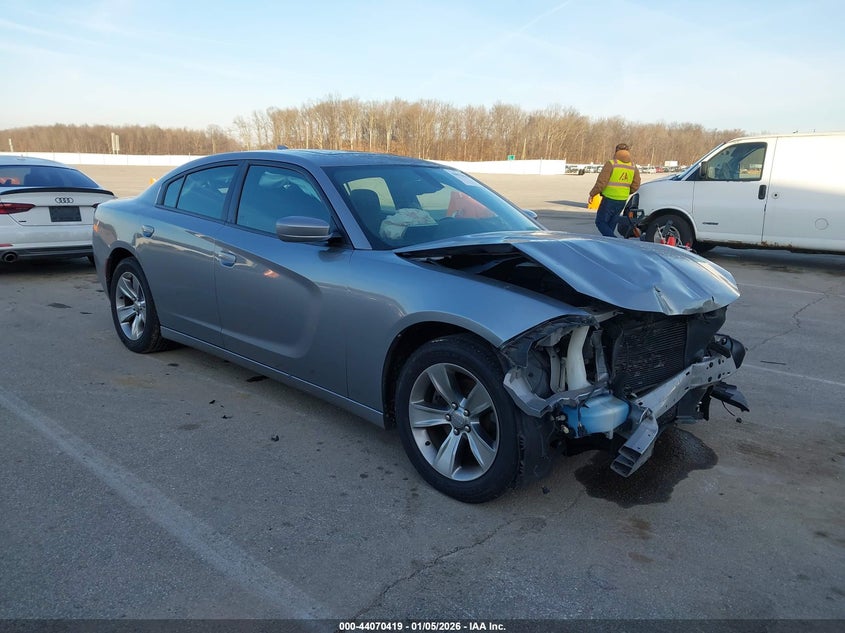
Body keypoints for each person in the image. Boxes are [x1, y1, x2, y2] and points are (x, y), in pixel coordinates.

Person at [588, 143, 641, 237]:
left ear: (616, 151)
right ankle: (609, 243)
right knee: (611, 225)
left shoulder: (611, 164)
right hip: (622, 200)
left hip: (609, 199)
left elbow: (601, 182)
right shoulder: (633, 166)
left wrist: (592, 194)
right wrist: (626, 192)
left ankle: (614, 240)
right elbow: (636, 184)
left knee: (600, 222)